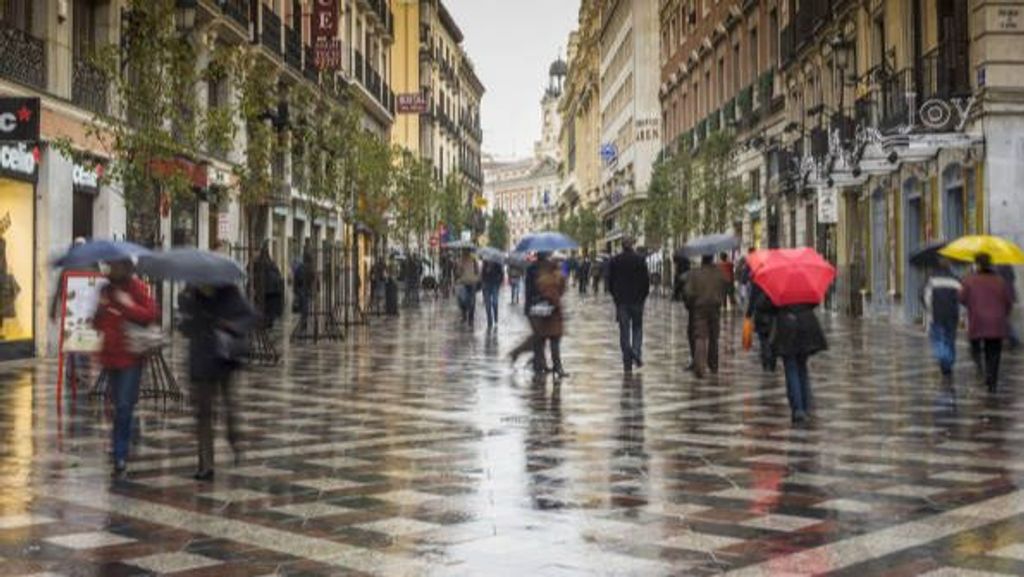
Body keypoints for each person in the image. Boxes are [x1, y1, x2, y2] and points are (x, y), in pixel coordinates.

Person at [178, 284, 257, 481]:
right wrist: (187, 314)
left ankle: (234, 440)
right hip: (201, 360)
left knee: (229, 406)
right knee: (203, 414)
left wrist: (230, 325)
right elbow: (184, 328)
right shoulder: (190, 295)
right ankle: (206, 465)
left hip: (224, 359)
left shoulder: (229, 292)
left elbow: (251, 316)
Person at [93, 259, 157, 478]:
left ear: (126, 269)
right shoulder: (106, 290)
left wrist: (128, 304)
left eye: (114, 267)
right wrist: (101, 310)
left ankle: (120, 454)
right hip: (110, 356)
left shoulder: (136, 288)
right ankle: (118, 447)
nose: (110, 270)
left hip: (130, 357)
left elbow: (150, 314)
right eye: (109, 267)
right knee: (114, 405)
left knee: (123, 405)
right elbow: (97, 323)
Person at [961, 254, 1014, 391]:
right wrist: (1003, 314)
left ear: (977, 265)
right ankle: (992, 380)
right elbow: (1008, 302)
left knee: (975, 348)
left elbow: (961, 298)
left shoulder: (970, 280)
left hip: (977, 321)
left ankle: (981, 369)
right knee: (994, 352)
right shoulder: (1000, 281)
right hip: (996, 322)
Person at [772, 303, 827, 424]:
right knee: (802, 368)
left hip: (787, 323)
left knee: (791, 368)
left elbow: (770, 305)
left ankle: (798, 409)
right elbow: (815, 302)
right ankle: (805, 406)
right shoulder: (806, 286)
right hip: (806, 323)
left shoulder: (781, 287)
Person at [608, 237, 651, 373]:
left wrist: (615, 296)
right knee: (637, 328)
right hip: (637, 301)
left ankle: (628, 358)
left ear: (621, 246)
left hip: (622, 302)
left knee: (624, 331)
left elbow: (609, 281)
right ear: (632, 245)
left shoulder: (615, 261)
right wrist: (642, 297)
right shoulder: (640, 260)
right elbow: (646, 282)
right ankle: (636, 352)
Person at [685, 255, 727, 378]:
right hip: (715, 307)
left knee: (700, 336)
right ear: (712, 259)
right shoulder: (719, 273)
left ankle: (700, 366)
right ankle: (713, 365)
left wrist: (690, 304)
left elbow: (688, 292)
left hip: (699, 307)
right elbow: (725, 287)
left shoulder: (695, 273)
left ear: (702, 260)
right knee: (714, 336)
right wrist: (720, 300)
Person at [922, 258, 962, 377]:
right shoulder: (955, 279)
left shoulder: (932, 280)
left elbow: (926, 297)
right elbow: (961, 297)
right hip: (952, 315)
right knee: (950, 339)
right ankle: (948, 363)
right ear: (950, 266)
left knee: (938, 339)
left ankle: (945, 358)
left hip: (937, 315)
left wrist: (929, 310)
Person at [746, 278, 778, 372]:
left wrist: (749, 314)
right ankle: (772, 362)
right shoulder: (777, 281)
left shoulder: (758, 281)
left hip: (761, 314)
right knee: (773, 339)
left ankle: (766, 362)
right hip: (774, 314)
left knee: (763, 340)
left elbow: (752, 299)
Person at [251, 242, 284, 328]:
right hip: (274, 289)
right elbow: (278, 274)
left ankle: (265, 322)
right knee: (270, 307)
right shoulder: (271, 262)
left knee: (265, 306)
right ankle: (269, 322)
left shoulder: (259, 262)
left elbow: (252, 272)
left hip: (266, 289)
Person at [456, 251, 480, 325]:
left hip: (464, 282)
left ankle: (464, 316)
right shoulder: (474, 260)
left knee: (462, 299)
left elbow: (458, 273)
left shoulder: (460, 260)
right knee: (472, 300)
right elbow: (477, 271)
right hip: (473, 281)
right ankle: (471, 318)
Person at [481, 259, 504, 329]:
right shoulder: (485, 263)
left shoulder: (498, 263)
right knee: (487, 304)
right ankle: (489, 320)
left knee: (495, 302)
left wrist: (499, 282)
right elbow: (482, 275)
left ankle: (496, 318)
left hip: (495, 284)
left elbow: (501, 274)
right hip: (486, 285)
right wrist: (486, 271)